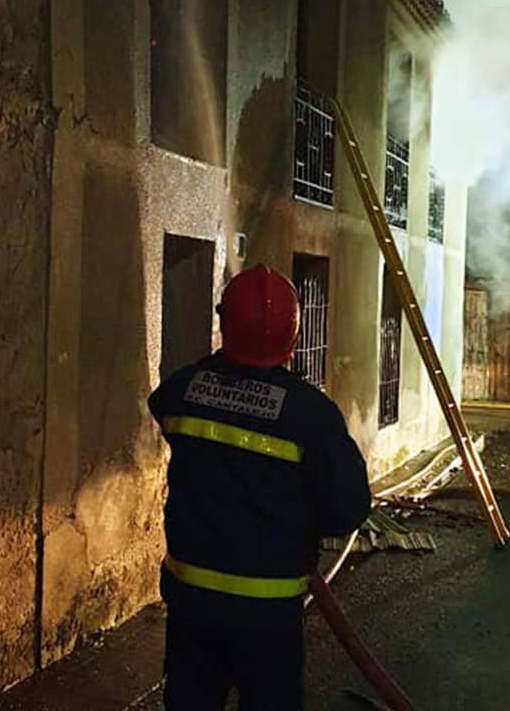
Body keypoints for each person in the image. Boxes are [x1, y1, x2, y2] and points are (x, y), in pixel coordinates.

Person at [148, 263, 371, 711]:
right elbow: (349, 507)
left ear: (224, 323)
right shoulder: (311, 415)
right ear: (292, 336)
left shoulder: (187, 388)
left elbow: (163, 404)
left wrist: (217, 375)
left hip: (192, 603)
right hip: (268, 613)